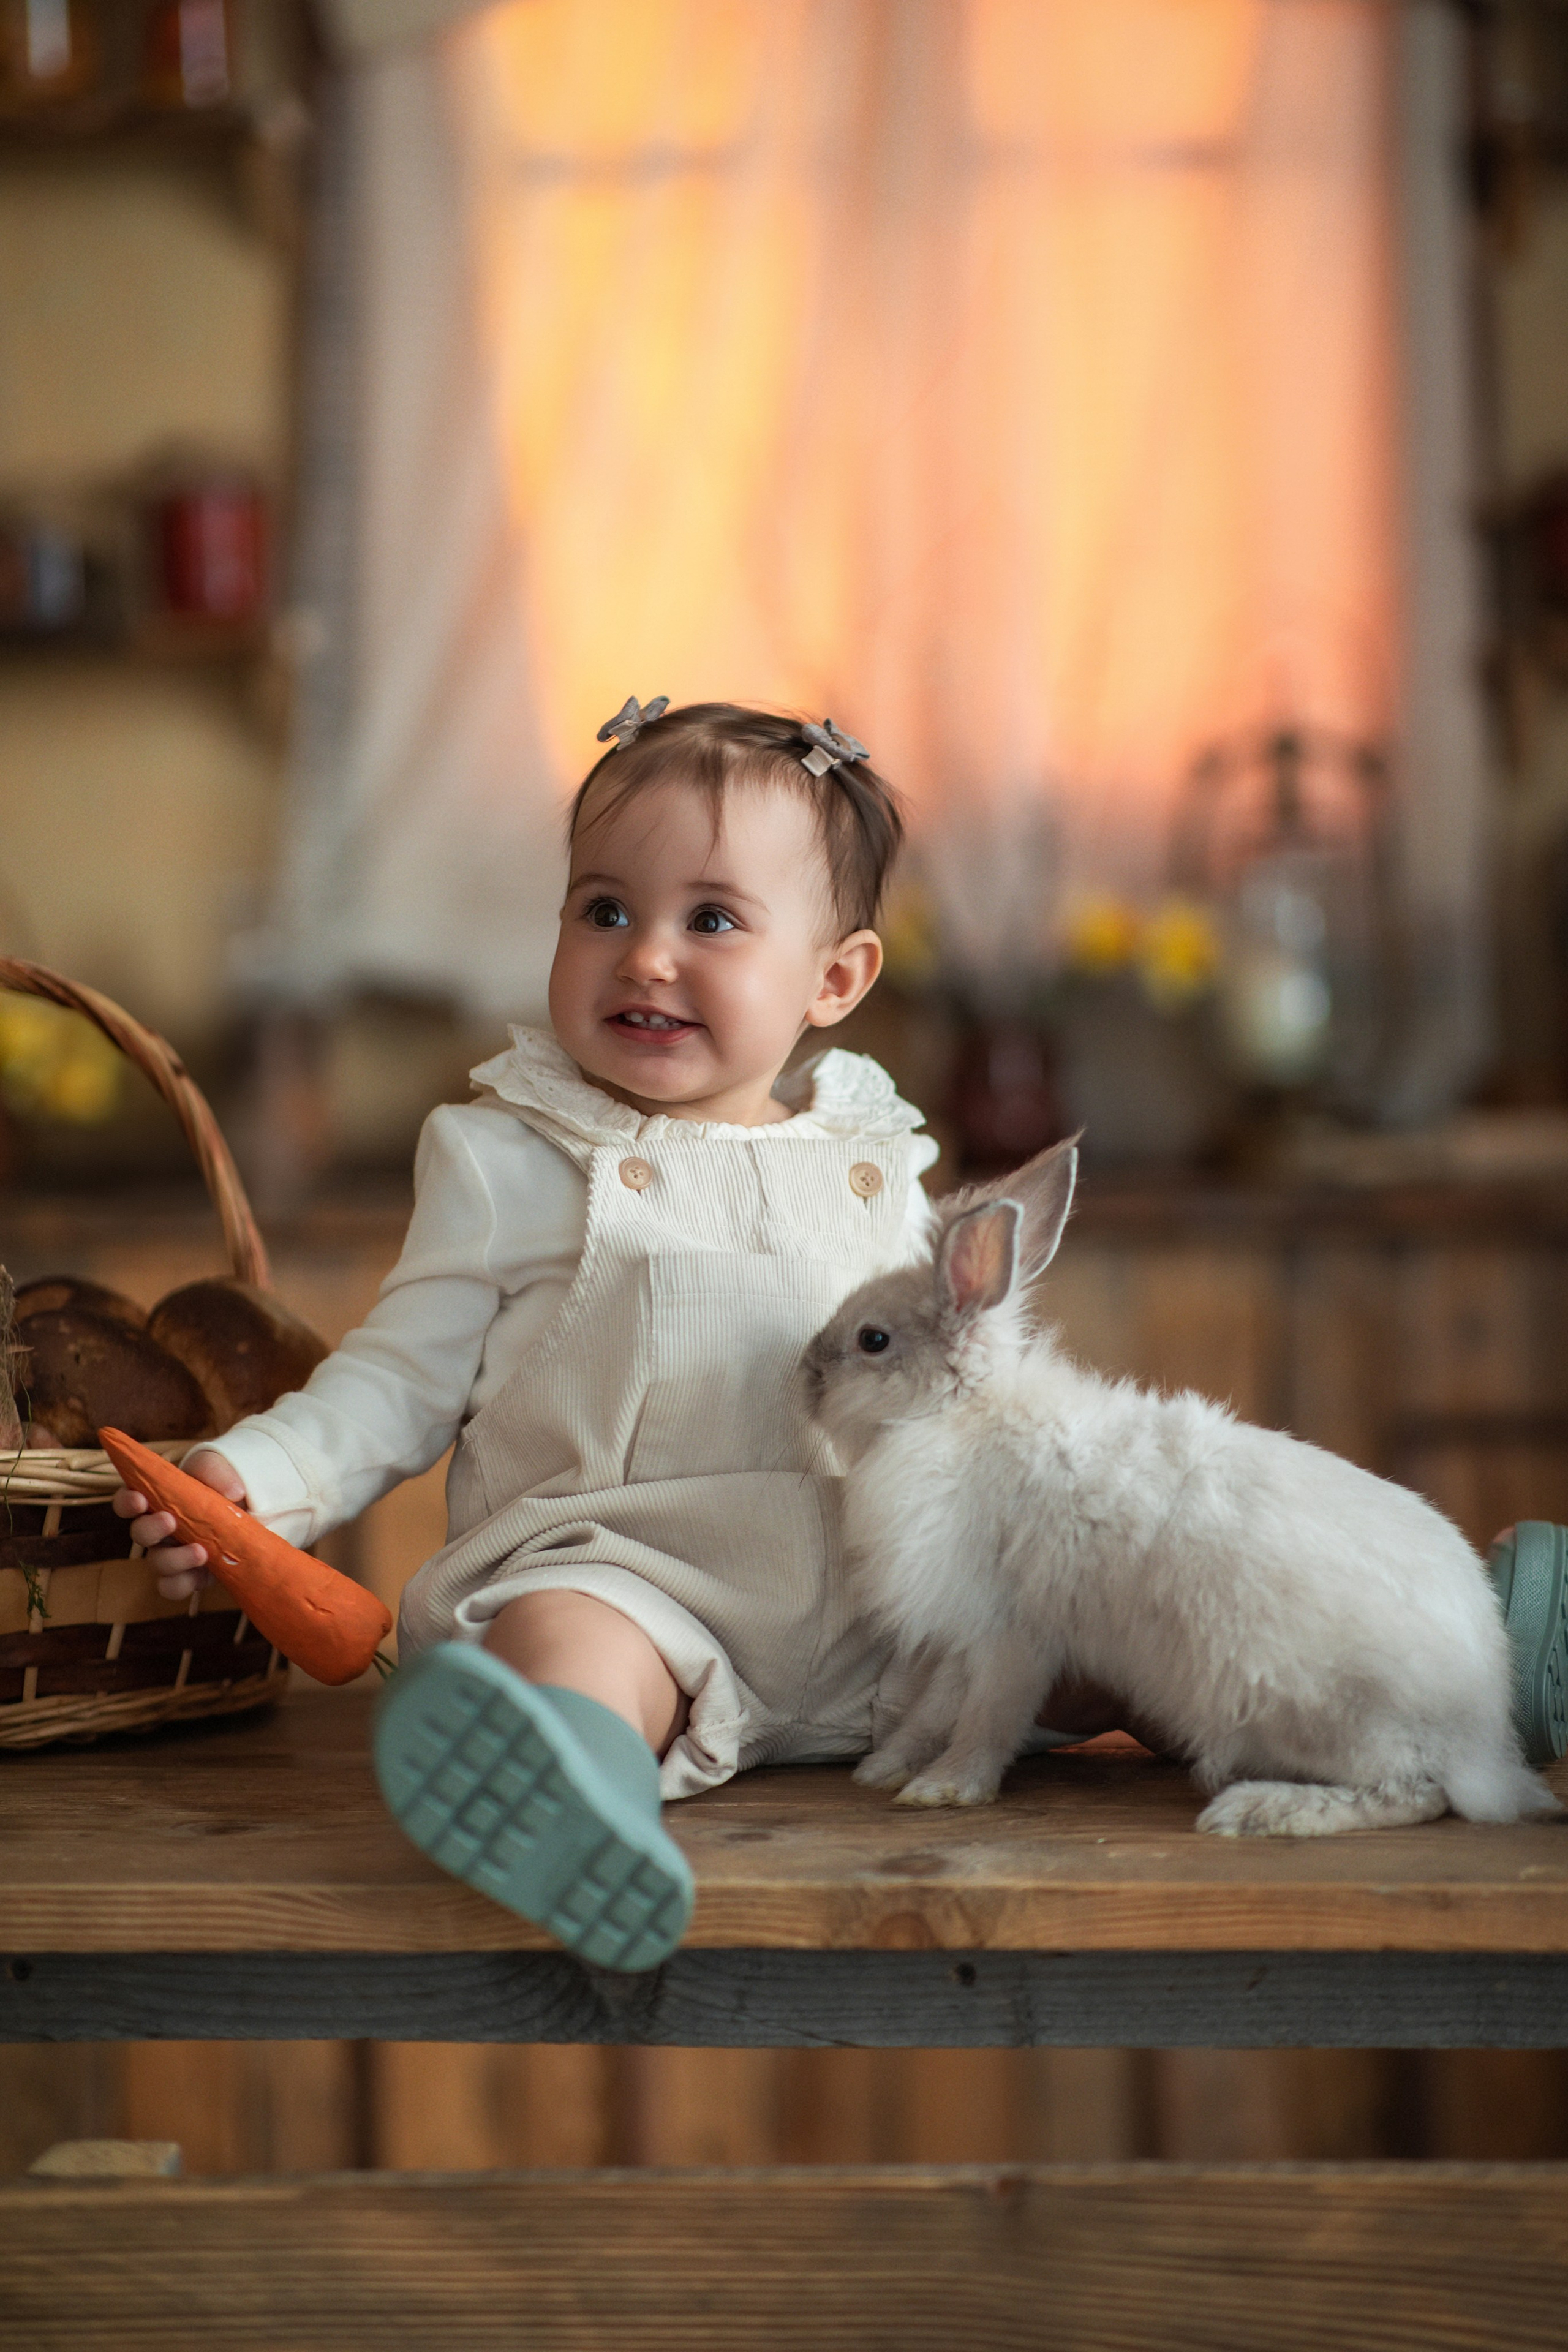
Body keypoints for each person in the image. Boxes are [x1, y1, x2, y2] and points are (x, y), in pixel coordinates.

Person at [113, 699, 1028, 1970]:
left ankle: (1254, 1709)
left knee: (1070, 1614)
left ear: (834, 978)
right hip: (635, 1578)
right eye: (603, 910)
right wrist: (260, 1480)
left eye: (709, 920)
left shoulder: (875, 1158)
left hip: (871, 1597)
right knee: (563, 1643)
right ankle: (576, 1808)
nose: (644, 956)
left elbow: (954, 1378)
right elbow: (394, 1377)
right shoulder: (512, 1153)